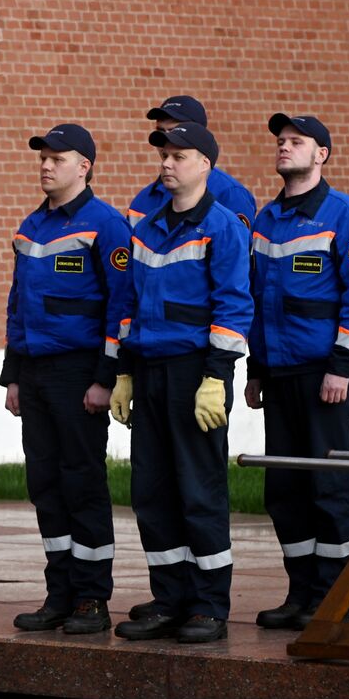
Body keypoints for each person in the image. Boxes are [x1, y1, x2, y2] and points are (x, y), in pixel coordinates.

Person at [109, 123, 252, 643]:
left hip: (196, 374)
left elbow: (234, 307)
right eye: (164, 155)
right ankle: (169, 598)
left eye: (179, 155)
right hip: (148, 372)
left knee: (199, 490)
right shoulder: (145, 230)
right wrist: (122, 371)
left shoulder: (223, 227)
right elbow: (126, 307)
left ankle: (209, 605)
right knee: (152, 491)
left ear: (205, 164)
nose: (167, 164)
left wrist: (216, 378)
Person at [245, 114, 349, 630]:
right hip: (278, 375)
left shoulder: (344, 214)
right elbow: (256, 301)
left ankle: (333, 600)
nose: (284, 148)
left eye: (296, 142)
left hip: (326, 373)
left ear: (321, 154)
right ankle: (301, 594)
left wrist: (341, 365)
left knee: (329, 487)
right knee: (285, 489)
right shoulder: (265, 219)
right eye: (281, 141)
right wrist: (256, 370)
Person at [1, 124, 131, 635]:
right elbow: (18, 306)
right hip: (34, 374)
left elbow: (121, 307)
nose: (46, 165)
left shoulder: (106, 225)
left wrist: (106, 377)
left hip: (78, 374)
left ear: (86, 167)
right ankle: (60, 593)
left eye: (58, 158)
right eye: (43, 158)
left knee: (82, 483)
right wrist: (12, 376)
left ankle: (92, 599)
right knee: (46, 485)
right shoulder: (31, 227)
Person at [126, 95, 256, 230]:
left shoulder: (230, 193)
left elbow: (238, 247)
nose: (166, 140)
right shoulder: (143, 199)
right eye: (161, 132)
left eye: (174, 131)